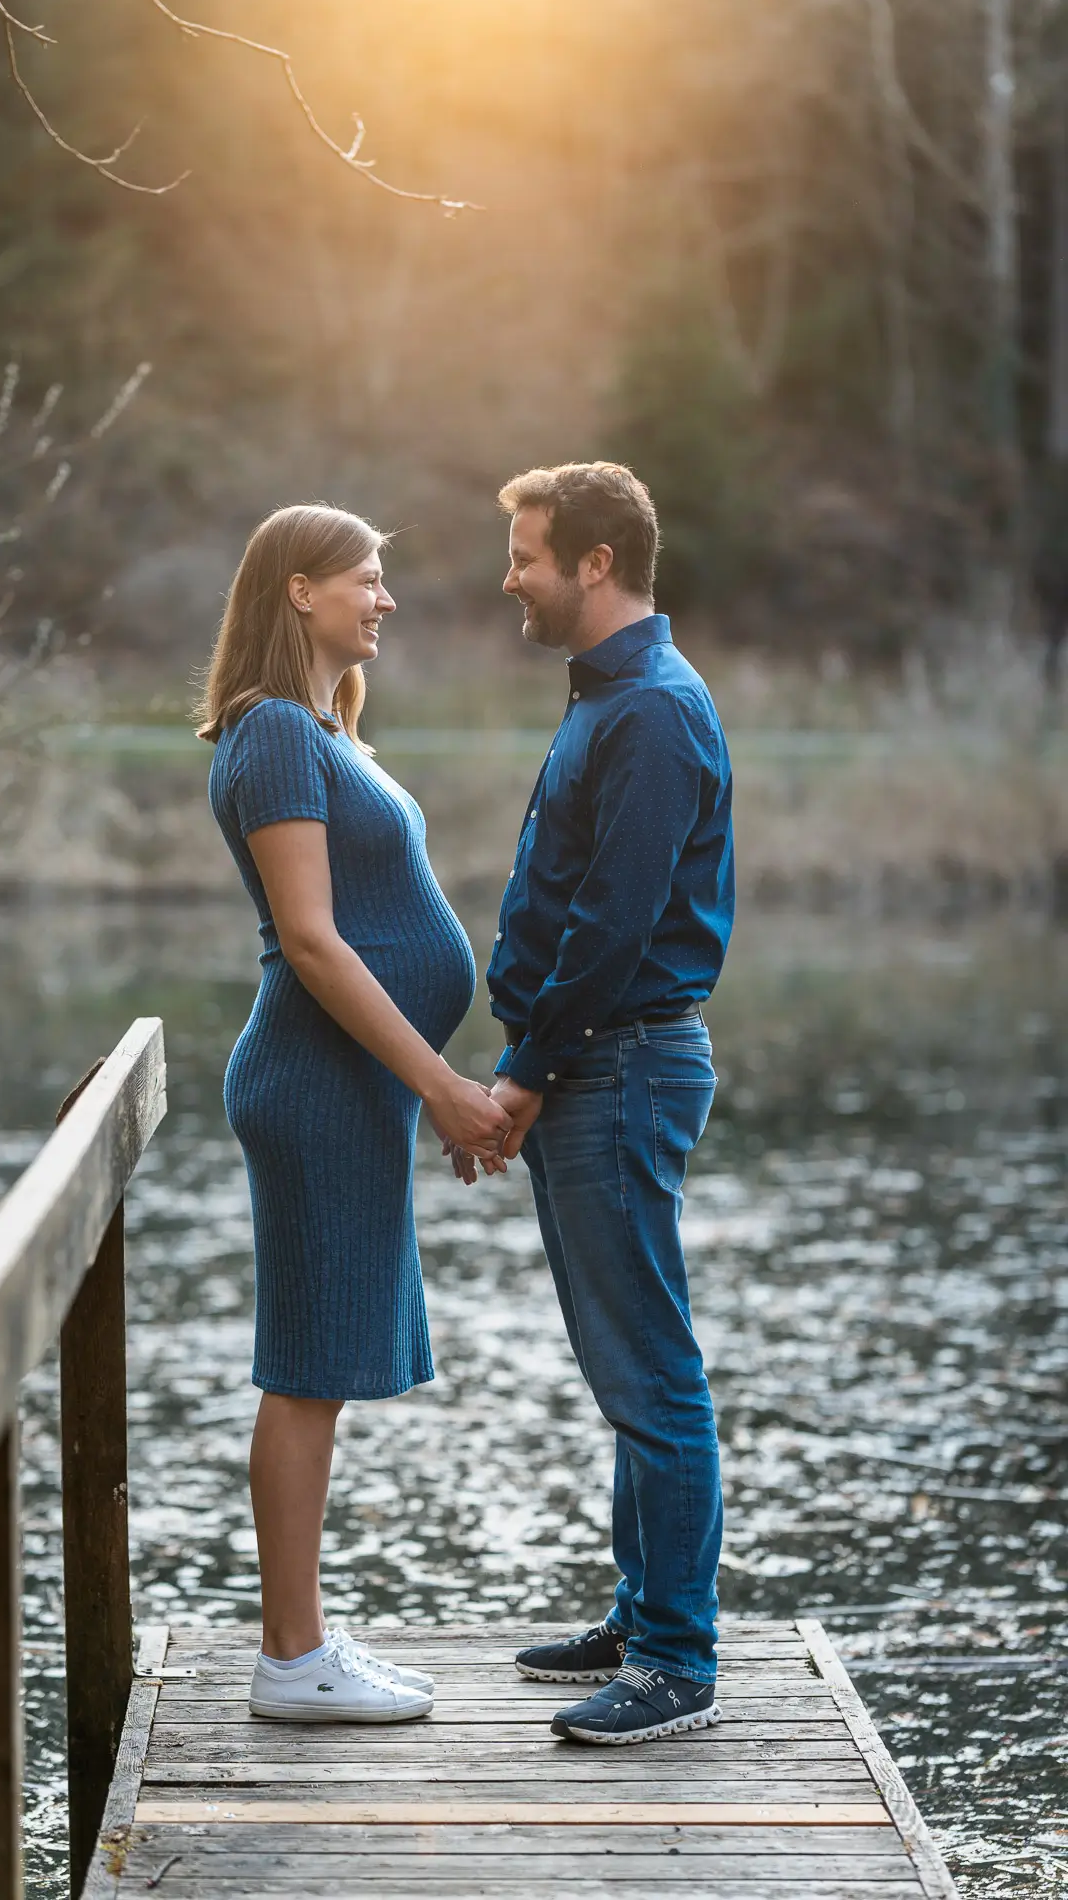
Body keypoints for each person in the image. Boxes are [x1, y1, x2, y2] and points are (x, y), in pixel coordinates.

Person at [197, 503, 511, 1724]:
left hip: (349, 1085)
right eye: (365, 579)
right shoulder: (276, 733)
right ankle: (291, 1660)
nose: (384, 599)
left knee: (318, 1364)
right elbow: (315, 945)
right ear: (298, 591)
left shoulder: (319, 730)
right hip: (314, 1085)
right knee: (304, 1368)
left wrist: (419, 1085)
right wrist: (441, 1086)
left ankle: (306, 1641)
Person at [464, 461, 735, 1745]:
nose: (508, 577)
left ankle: (675, 1660)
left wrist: (521, 1074)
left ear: (594, 562)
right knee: (623, 1363)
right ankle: (640, 1616)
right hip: (595, 1062)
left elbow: (614, 925)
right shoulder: (607, 700)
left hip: (614, 1065)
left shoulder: (653, 713)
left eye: (525, 555)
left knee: (651, 1370)